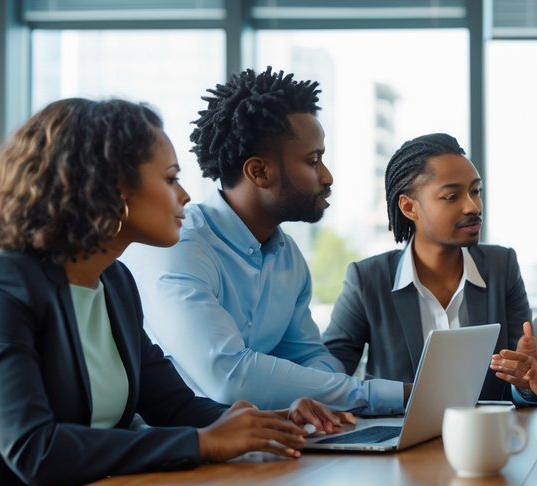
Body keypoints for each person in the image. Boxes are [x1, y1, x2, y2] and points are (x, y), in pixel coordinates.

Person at [0, 99, 348, 486]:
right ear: (112, 188)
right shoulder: (0, 284)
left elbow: (173, 404)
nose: (186, 195)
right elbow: (34, 449)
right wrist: (203, 443)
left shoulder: (115, 283)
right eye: (170, 179)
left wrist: (276, 422)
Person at [125, 67, 403, 414]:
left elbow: (308, 356)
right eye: (313, 160)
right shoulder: (179, 246)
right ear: (259, 172)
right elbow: (229, 375)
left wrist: (311, 401)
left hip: (259, 446)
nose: (327, 175)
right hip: (179, 449)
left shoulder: (289, 257)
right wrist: (384, 395)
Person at [322, 133, 537, 401]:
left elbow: (523, 380)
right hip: (401, 436)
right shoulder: (368, 280)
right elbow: (327, 379)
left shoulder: (501, 266)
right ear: (409, 207)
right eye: (451, 196)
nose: (472, 206)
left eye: (475, 191)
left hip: (488, 436)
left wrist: (526, 382)